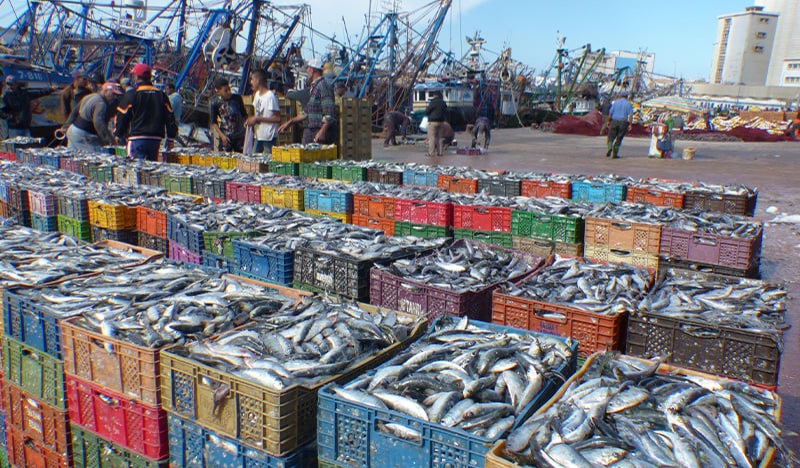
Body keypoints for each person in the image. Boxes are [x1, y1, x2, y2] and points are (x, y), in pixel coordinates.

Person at [115, 63, 178, 161]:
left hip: (136, 138)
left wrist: (118, 134)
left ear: (136, 77)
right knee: (151, 166)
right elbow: (170, 118)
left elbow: (122, 116)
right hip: (156, 139)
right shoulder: (161, 95)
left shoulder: (132, 95)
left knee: (135, 166)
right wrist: (171, 138)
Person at [278, 58, 337, 144]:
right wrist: (290, 122)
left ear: (312, 70)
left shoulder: (323, 86)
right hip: (311, 130)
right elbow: (306, 112)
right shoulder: (314, 87)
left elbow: (329, 111)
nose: (307, 71)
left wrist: (322, 131)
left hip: (318, 131)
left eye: (308, 68)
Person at [64, 82, 123, 152]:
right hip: (82, 134)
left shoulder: (90, 96)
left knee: (71, 156)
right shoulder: (101, 104)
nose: (115, 97)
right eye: (113, 94)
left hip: (72, 130)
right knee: (94, 155)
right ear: (105, 91)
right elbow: (98, 122)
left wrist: (66, 126)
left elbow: (74, 112)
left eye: (116, 95)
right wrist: (109, 139)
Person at [245, 70, 281, 154]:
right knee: (253, 157)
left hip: (268, 136)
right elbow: (256, 113)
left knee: (267, 158)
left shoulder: (270, 96)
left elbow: (277, 118)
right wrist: (250, 120)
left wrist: (258, 119)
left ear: (258, 80)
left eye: (252, 79)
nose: (251, 82)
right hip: (259, 135)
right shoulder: (257, 95)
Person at [209, 77, 248, 152]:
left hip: (239, 136)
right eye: (225, 91)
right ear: (218, 91)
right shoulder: (214, 102)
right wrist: (222, 136)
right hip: (226, 135)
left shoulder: (237, 98)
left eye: (229, 89)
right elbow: (214, 122)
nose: (229, 92)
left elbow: (244, 115)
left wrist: (246, 129)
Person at [605, 90, 634, 159]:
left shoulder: (615, 103)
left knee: (610, 137)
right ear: (627, 96)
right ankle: (615, 154)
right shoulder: (629, 104)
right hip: (623, 122)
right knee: (619, 138)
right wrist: (630, 124)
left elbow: (610, 113)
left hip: (614, 121)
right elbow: (630, 115)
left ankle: (609, 147)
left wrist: (608, 121)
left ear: (621, 95)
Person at [425, 89, 447, 157]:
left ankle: (431, 153)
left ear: (434, 95)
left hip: (433, 122)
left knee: (432, 138)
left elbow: (427, 111)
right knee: (440, 138)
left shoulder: (433, 102)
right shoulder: (443, 102)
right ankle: (440, 152)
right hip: (441, 122)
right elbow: (446, 111)